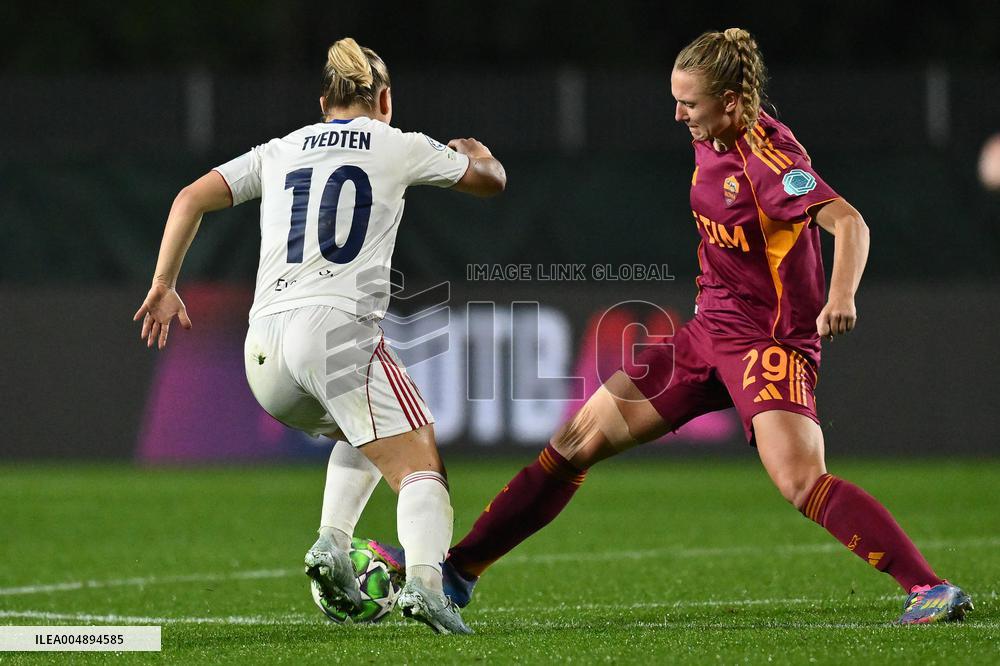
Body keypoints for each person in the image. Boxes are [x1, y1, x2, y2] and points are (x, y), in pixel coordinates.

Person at [372, 28, 972, 626]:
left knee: (800, 481)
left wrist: (841, 296)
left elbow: (850, 222)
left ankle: (928, 587)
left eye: (689, 103)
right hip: (705, 334)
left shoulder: (770, 163)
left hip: (767, 345)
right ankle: (457, 571)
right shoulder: (712, 138)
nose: (679, 114)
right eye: (677, 100)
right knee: (574, 444)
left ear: (731, 102)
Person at [133, 37, 506, 635]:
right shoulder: (397, 143)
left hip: (263, 352)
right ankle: (426, 587)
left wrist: (163, 283)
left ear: (323, 103)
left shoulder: (280, 149)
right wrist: (474, 151)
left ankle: (332, 542)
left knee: (364, 433)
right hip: (335, 333)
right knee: (420, 461)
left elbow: (189, 197)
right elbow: (491, 181)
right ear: (385, 100)